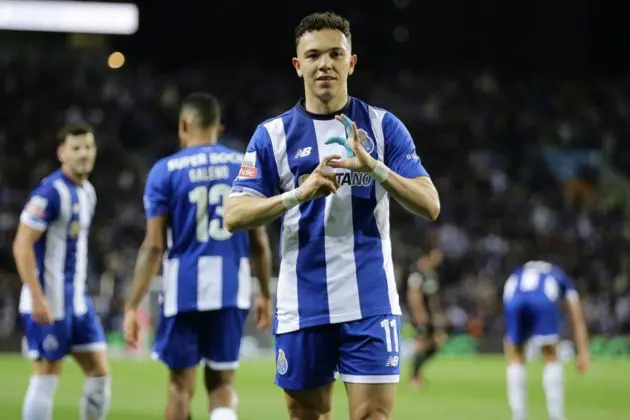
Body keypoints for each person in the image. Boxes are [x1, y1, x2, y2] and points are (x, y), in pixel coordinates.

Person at [225, 11, 440, 420]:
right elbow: (235, 214)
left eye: (335, 54)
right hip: (302, 303)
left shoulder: (382, 127)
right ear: (298, 65)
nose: (324, 64)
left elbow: (430, 205)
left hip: (371, 301)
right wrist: (298, 194)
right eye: (313, 55)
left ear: (351, 61)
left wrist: (375, 167)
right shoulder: (272, 135)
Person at [123, 92, 272, 420]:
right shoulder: (242, 166)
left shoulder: (165, 171)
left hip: (183, 291)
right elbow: (259, 240)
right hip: (231, 288)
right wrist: (264, 292)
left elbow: (153, 246)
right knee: (221, 384)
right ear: (218, 128)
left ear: (183, 125)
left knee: (179, 386)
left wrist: (132, 305)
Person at [13, 123, 111, 420]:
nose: (84, 154)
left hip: (77, 301)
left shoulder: (88, 193)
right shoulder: (49, 192)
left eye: (88, 147)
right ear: (61, 153)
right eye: (76, 148)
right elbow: (22, 244)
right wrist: (37, 296)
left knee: (99, 372)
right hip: (48, 300)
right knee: (46, 374)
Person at [503, 260, 590, 420]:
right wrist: (583, 352)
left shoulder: (518, 272)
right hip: (543, 300)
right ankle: (556, 416)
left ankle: (518, 416)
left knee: (515, 355)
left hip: (513, 296)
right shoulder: (559, 275)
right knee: (550, 354)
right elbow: (577, 317)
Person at [405, 248, 448, 388]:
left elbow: (434, 298)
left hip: (431, 316)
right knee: (422, 344)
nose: (439, 259)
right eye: (437, 256)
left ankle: (416, 372)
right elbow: (414, 296)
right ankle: (415, 377)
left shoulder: (432, 274)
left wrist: (437, 314)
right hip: (420, 317)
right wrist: (419, 315)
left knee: (437, 343)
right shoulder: (417, 273)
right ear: (428, 256)